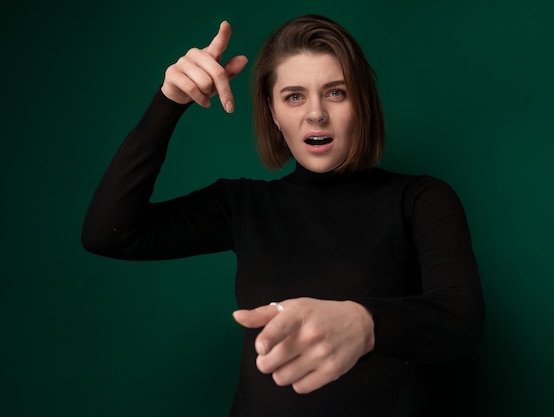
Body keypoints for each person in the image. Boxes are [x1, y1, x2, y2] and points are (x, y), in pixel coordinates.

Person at [82, 14, 485, 417]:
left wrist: (364, 324)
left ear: (362, 103)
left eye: (336, 93)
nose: (315, 114)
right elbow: (110, 233)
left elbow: (461, 320)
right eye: (294, 96)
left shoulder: (420, 199)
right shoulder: (242, 204)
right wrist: (169, 101)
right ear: (273, 113)